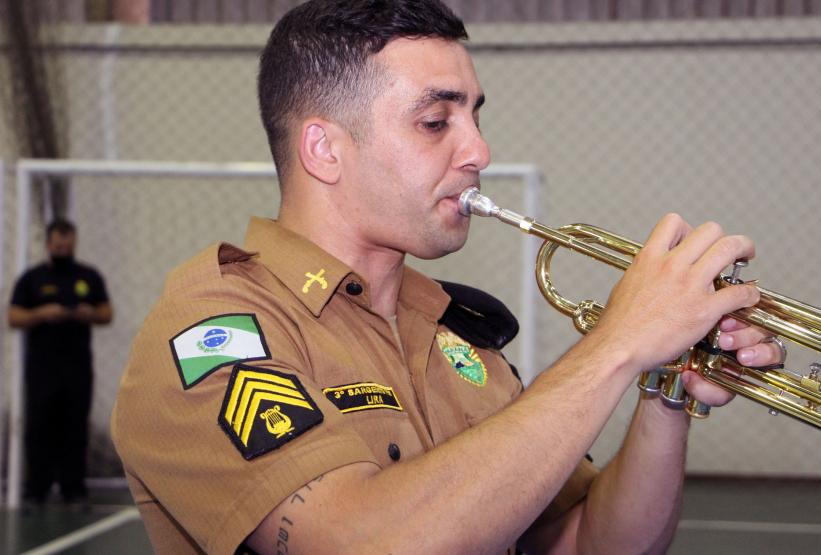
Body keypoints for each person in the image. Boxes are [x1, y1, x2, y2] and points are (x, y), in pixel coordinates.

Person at [111, 1, 785, 553]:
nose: (479, 151)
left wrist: (666, 389)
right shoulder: (216, 330)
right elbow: (357, 543)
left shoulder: (456, 335)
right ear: (323, 149)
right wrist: (615, 341)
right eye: (435, 121)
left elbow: (586, 542)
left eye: (474, 113)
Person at [9, 219, 113, 506]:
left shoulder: (88, 276)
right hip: (42, 368)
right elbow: (14, 316)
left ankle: (73, 488)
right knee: (39, 425)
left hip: (77, 367)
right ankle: (37, 487)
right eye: (57, 243)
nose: (62, 247)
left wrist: (87, 313)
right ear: (49, 244)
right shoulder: (32, 279)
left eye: (67, 243)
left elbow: (106, 313)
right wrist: (42, 314)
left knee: (75, 425)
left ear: (74, 242)